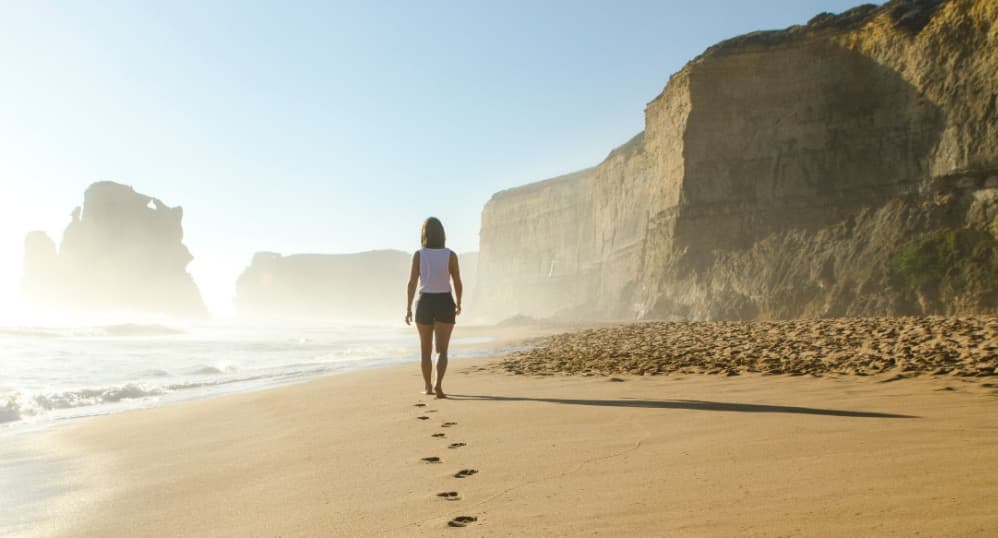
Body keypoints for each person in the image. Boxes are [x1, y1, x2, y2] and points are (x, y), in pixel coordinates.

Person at [405, 217, 462, 398]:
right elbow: (457, 281)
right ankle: (438, 384)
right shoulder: (450, 255)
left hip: (424, 302)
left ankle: (428, 386)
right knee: (442, 350)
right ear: (442, 234)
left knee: (425, 349)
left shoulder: (419, 255)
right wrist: (459, 303)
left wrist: (408, 308)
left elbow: (412, 283)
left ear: (424, 234)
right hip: (445, 301)